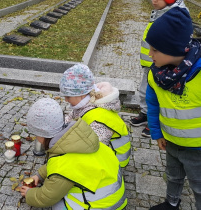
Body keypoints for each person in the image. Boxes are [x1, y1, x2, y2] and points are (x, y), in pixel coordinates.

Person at [20, 98, 127, 209]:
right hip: (115, 196)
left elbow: (47, 197)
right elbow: (66, 162)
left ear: (43, 135)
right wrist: (40, 175)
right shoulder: (77, 139)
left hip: (104, 205)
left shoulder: (62, 166)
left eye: (36, 135)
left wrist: (29, 194)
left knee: (57, 205)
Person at [145, 7, 201, 210]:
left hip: (198, 150)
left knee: (199, 186)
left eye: (155, 50)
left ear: (175, 48)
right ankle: (172, 203)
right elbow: (152, 105)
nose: (150, 54)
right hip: (171, 142)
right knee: (173, 176)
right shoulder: (155, 75)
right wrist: (158, 132)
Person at [130, 0, 188, 138]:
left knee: (158, 93)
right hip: (150, 62)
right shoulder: (160, 12)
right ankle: (145, 113)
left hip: (162, 65)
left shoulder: (175, 16)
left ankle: (154, 121)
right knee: (145, 90)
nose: (154, 0)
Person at [59, 63, 131, 167]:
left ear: (81, 94)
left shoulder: (98, 121)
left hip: (113, 161)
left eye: (68, 96)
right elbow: (70, 119)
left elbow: (92, 148)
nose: (65, 99)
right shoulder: (85, 103)